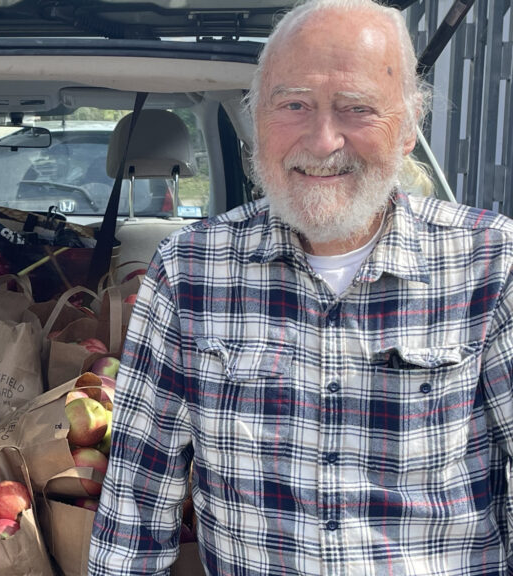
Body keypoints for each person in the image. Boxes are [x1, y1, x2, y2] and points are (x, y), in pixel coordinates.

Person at [89, 0, 513, 574]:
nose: (322, 140)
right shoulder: (188, 272)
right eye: (294, 105)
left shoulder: (492, 264)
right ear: (258, 118)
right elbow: (135, 512)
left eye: (356, 108)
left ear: (410, 126)